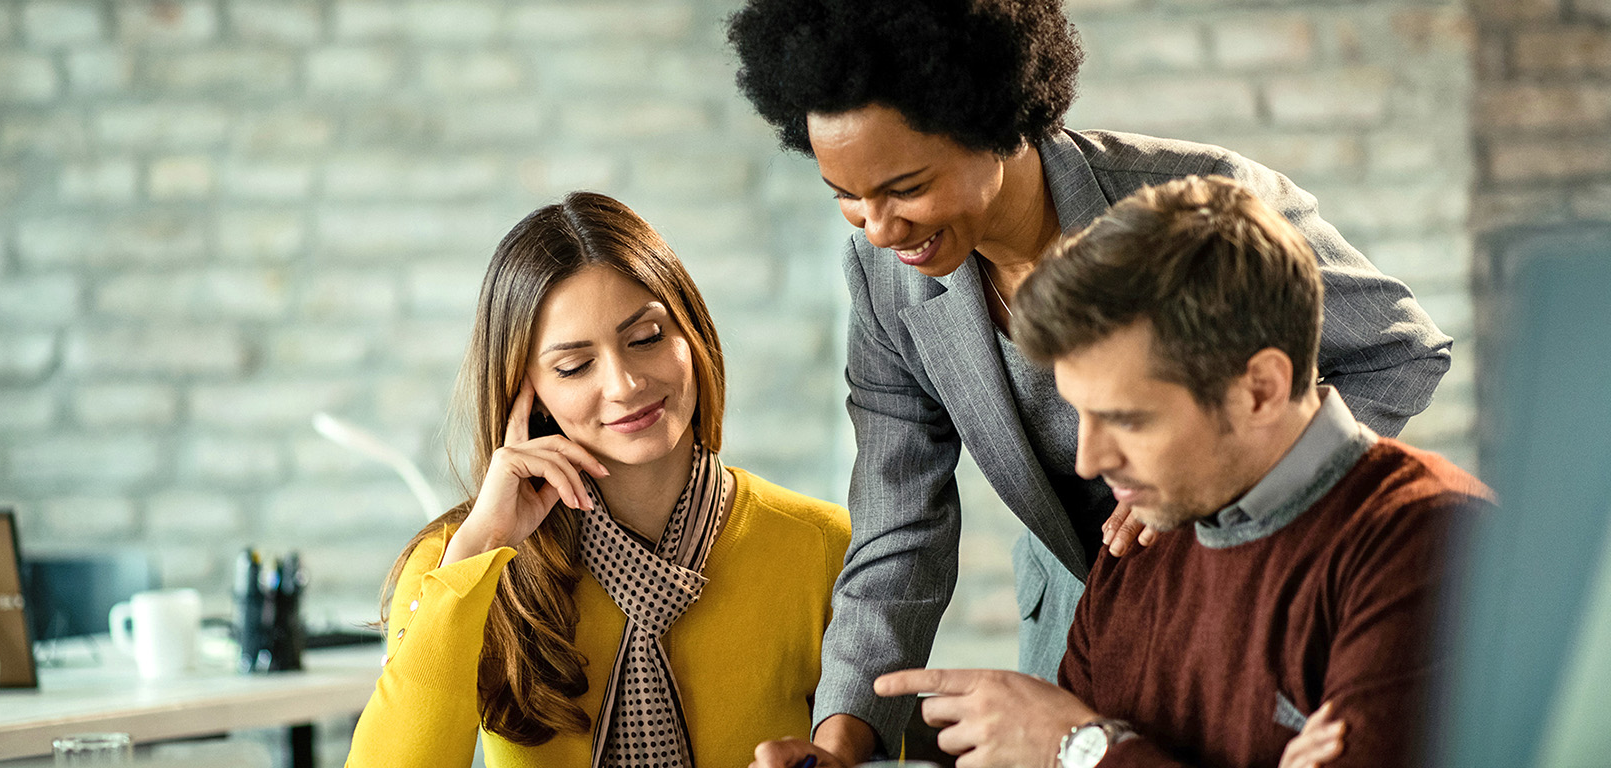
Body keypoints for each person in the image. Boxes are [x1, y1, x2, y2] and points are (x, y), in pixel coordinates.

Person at [726, 1, 1453, 762]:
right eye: (845, 193)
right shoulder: (885, 277)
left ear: (997, 127)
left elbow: (1399, 351)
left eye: (905, 187)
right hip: (1086, 627)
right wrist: (843, 738)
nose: (876, 227)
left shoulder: (1197, 207)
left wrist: (1234, 497)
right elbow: (897, 521)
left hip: (1251, 608)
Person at [864, 175, 1493, 768]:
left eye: (1128, 419)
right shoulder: (1140, 543)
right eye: (1080, 414)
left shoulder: (1433, 541)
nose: (1089, 461)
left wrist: (1079, 746)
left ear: (1261, 389)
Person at [345, 191, 851, 767]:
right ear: (527, 394)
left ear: (692, 334)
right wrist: (480, 551)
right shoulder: (455, 563)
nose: (625, 383)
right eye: (574, 365)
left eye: (646, 338)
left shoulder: (823, 546)